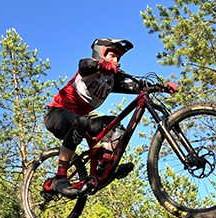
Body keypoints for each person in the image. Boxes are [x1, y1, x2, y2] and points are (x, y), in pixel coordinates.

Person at [43, 38, 177, 198]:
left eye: (118, 58)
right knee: (81, 122)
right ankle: (59, 177)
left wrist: (161, 87)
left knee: (112, 124)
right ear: (100, 53)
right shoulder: (89, 69)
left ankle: (104, 166)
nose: (116, 61)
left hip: (80, 121)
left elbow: (137, 86)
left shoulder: (111, 81)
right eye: (112, 56)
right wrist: (99, 65)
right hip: (56, 115)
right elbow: (83, 64)